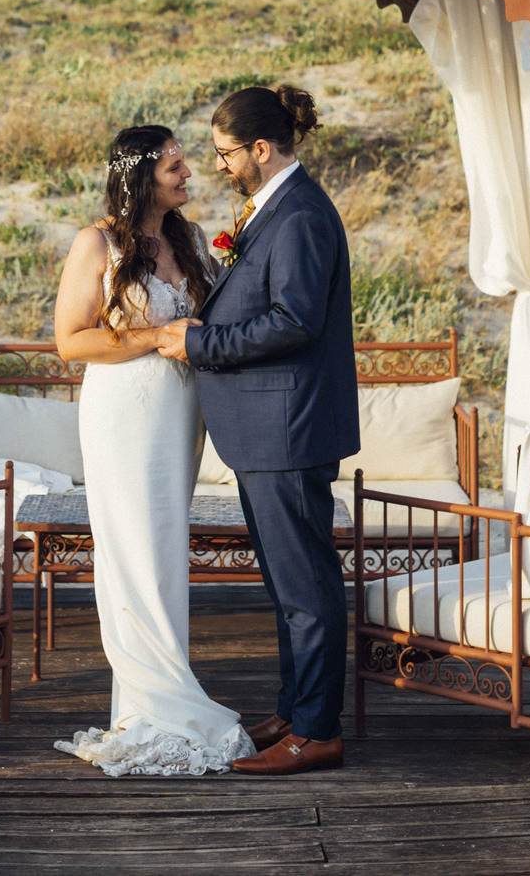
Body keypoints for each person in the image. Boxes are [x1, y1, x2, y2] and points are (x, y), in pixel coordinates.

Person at [158, 84, 359, 775]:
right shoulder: (273, 208)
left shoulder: (299, 215)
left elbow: (294, 321)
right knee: (287, 585)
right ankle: (297, 710)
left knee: (305, 588)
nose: (218, 165)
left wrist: (199, 343)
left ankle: (318, 731)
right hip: (271, 428)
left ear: (261, 150)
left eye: (225, 154)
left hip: (289, 427)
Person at [52, 124, 252, 777]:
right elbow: (72, 342)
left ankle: (155, 698)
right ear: (140, 174)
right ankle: (157, 705)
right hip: (124, 411)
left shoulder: (193, 241)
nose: (187, 173)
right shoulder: (99, 243)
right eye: (173, 166)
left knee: (164, 549)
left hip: (179, 414)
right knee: (133, 549)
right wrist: (158, 334)